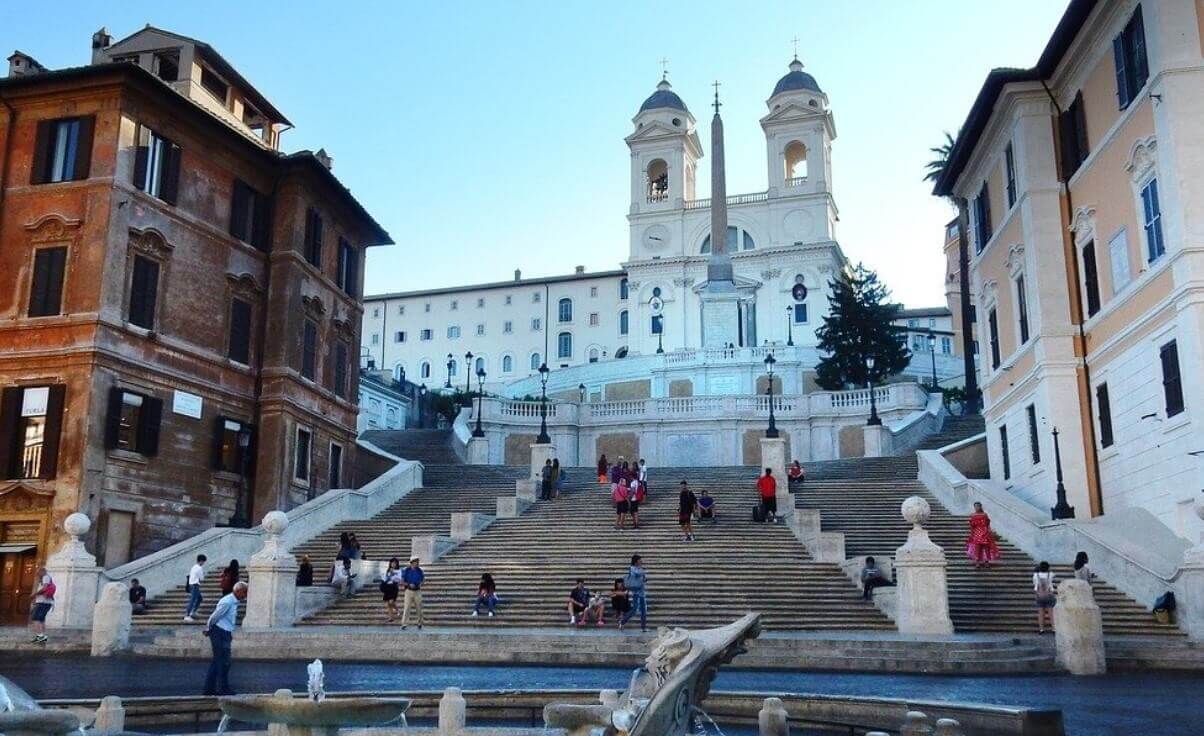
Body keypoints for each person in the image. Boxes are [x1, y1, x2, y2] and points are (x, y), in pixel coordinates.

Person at [203, 580, 247, 696]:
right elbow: (214, 616)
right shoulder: (227, 602)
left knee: (217, 661)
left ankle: (209, 689)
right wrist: (208, 628)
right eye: (244, 593)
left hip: (225, 632)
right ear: (238, 591)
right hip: (219, 632)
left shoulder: (232, 602)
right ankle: (223, 688)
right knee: (223, 662)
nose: (245, 596)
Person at [965, 502, 1001, 568]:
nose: (976, 508)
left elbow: (987, 525)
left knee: (986, 548)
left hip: (984, 532)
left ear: (980, 507)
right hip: (976, 533)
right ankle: (977, 562)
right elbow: (972, 526)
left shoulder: (984, 515)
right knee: (977, 548)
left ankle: (986, 561)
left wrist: (989, 532)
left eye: (978, 506)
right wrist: (972, 534)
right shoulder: (972, 515)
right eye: (975, 506)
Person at [620, 555, 648, 632]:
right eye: (640, 560)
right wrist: (642, 572)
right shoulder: (632, 568)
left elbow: (643, 578)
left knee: (643, 610)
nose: (641, 561)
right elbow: (637, 574)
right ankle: (622, 621)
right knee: (634, 610)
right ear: (636, 561)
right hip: (636, 593)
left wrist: (644, 578)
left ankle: (643, 627)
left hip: (642, 592)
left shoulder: (640, 568)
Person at [28, 567, 54, 644]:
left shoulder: (46, 577)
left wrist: (34, 595)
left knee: (35, 618)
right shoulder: (46, 577)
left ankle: (40, 637)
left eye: (38, 573)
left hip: (43, 602)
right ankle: (43, 637)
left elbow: (44, 589)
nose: (37, 574)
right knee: (41, 619)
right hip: (45, 602)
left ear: (43, 571)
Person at [401, 556, 425, 629]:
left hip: (417, 590)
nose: (417, 563)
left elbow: (423, 580)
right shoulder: (406, 570)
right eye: (415, 562)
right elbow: (402, 581)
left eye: (417, 562)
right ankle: (404, 623)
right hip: (408, 591)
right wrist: (408, 584)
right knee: (407, 607)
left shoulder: (419, 570)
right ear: (412, 563)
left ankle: (419, 622)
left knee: (419, 607)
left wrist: (420, 584)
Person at [1033, 561, 1056, 633]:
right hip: (1049, 595)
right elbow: (1053, 574)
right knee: (1051, 613)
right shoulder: (1051, 574)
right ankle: (1054, 628)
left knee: (1040, 613)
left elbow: (1034, 584)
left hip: (1039, 595)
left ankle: (1041, 629)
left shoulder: (1035, 575)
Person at [184, 554, 207, 622]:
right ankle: (187, 615)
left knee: (199, 598)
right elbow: (202, 578)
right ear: (201, 561)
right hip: (195, 585)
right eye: (203, 562)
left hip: (191, 584)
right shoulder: (199, 568)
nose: (203, 563)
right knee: (193, 600)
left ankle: (193, 612)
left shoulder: (194, 567)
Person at [381, 557, 402, 622]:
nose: (393, 564)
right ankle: (391, 617)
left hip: (394, 587)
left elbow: (398, 579)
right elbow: (384, 579)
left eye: (395, 563)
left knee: (391, 602)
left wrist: (393, 576)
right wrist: (388, 575)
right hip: (387, 587)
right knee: (388, 604)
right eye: (392, 563)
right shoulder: (387, 570)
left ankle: (397, 610)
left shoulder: (399, 571)